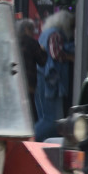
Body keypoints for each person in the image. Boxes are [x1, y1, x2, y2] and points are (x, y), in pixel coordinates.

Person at [34, 9, 75, 139]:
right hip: (51, 82)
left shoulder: (45, 33)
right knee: (52, 120)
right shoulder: (55, 34)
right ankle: (31, 139)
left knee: (45, 117)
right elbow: (56, 54)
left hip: (42, 79)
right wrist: (72, 57)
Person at [17, 18, 47, 120]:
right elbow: (42, 62)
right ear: (26, 29)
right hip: (29, 83)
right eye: (32, 30)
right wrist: (43, 50)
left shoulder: (14, 40)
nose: (34, 33)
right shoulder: (32, 43)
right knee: (31, 112)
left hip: (15, 83)